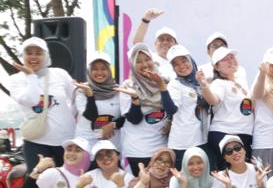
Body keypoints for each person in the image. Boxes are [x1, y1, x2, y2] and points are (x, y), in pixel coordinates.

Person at [9, 37, 78, 188]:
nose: (33, 57)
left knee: (67, 183)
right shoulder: (16, 79)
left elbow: (76, 97)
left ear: (46, 55)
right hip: (36, 142)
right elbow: (31, 100)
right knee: (40, 185)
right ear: (23, 55)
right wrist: (31, 76)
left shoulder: (60, 74)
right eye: (29, 53)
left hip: (65, 141)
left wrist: (71, 117)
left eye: (38, 53)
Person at [118, 44, 176, 175]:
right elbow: (134, 119)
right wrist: (135, 100)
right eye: (138, 61)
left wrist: (171, 122)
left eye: (147, 59)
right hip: (138, 150)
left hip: (162, 149)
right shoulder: (128, 86)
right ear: (132, 64)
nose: (144, 64)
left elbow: (173, 109)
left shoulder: (166, 81)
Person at [202, 48, 254, 170]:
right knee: (227, 177)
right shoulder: (219, 83)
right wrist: (204, 86)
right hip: (225, 134)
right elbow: (213, 100)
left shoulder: (241, 83)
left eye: (232, 57)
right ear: (216, 66)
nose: (231, 60)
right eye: (225, 59)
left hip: (244, 134)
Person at [165, 45, 208, 168]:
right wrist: (163, 89)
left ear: (191, 60)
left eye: (184, 61)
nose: (181, 66)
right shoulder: (174, 84)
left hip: (201, 140)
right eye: (176, 64)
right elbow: (171, 110)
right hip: (182, 144)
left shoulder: (201, 81)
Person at [72, 51, 122, 150]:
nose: (99, 73)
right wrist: (90, 95)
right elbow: (90, 115)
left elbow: (126, 117)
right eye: (95, 69)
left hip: (111, 146)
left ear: (109, 70)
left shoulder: (119, 90)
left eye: (103, 69)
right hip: (86, 145)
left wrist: (113, 124)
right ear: (89, 71)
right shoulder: (82, 90)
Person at [129, 8, 176, 78]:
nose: (165, 42)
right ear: (155, 44)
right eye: (161, 39)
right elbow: (137, 43)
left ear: (175, 45)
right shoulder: (150, 58)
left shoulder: (180, 64)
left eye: (169, 40)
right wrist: (146, 19)